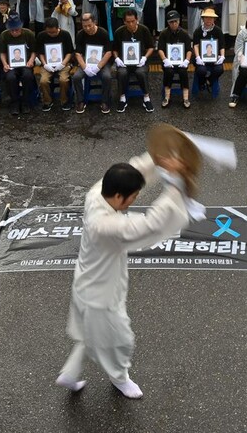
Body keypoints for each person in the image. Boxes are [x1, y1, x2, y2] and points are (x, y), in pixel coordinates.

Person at [56, 131, 199, 400]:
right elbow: (150, 224)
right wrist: (175, 185)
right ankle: (120, 378)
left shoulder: (97, 193)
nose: (134, 202)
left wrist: (161, 161)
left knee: (90, 334)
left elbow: (135, 169)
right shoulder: (107, 226)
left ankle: (69, 374)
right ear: (119, 197)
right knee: (121, 340)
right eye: (133, 198)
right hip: (101, 295)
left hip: (88, 282)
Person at [112, 9, 155, 113]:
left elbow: (151, 47)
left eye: (133, 21)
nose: (131, 24)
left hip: (140, 61)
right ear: (124, 22)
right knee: (121, 73)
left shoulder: (144, 30)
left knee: (141, 72)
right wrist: (117, 59)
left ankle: (146, 97)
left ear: (137, 19)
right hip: (124, 62)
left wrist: (145, 58)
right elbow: (114, 49)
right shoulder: (119, 32)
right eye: (128, 22)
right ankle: (122, 98)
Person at [72, 12, 114, 114]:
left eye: (89, 25)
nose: (87, 28)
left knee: (107, 76)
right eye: (84, 26)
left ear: (94, 22)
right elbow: (78, 53)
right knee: (76, 77)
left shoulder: (103, 32)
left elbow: (109, 52)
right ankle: (81, 101)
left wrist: (98, 67)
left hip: (102, 62)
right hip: (86, 62)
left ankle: (105, 101)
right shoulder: (80, 34)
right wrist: (85, 67)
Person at [0, 15, 37, 116]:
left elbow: (34, 51)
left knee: (27, 76)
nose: (14, 32)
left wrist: (31, 60)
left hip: (26, 63)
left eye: (17, 30)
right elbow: (2, 52)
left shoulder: (28, 34)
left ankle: (25, 101)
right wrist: (5, 63)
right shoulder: (4, 35)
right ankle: (14, 102)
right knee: (10, 77)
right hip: (11, 64)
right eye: (12, 30)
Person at [36, 17, 75, 112]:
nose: (51, 35)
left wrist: (63, 63)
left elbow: (70, 52)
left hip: (63, 63)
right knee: (43, 81)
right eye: (49, 32)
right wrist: (45, 64)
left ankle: (64, 101)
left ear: (58, 28)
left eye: (53, 32)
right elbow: (40, 53)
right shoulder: (41, 36)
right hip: (47, 63)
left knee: (63, 80)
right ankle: (47, 101)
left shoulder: (65, 34)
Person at [156, 11, 193, 108]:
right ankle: (166, 97)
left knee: (183, 72)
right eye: (171, 22)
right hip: (168, 62)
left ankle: (185, 98)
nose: (174, 24)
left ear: (179, 21)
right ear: (168, 23)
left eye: (175, 21)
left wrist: (187, 61)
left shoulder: (184, 33)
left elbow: (189, 50)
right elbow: (160, 49)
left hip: (181, 62)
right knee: (169, 72)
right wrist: (165, 60)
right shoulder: (164, 33)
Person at [193, 8, 225, 95]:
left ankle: (209, 81)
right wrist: (198, 57)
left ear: (214, 19)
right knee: (201, 70)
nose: (208, 20)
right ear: (203, 19)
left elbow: (222, 45)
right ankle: (201, 82)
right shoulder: (198, 31)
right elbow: (195, 46)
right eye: (206, 18)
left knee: (219, 69)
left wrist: (222, 56)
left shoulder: (218, 30)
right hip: (201, 58)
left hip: (214, 58)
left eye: (211, 18)